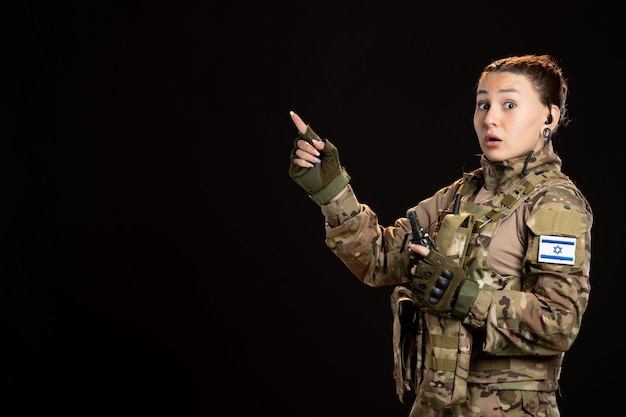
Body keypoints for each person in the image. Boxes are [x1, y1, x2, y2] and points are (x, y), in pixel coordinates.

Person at [287, 54, 592, 417]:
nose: (490, 118)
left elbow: (559, 323)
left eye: (509, 104)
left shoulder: (555, 204)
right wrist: (332, 191)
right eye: (483, 104)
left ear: (549, 117)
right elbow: (378, 259)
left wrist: (467, 296)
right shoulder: (459, 196)